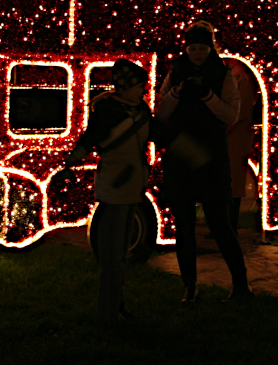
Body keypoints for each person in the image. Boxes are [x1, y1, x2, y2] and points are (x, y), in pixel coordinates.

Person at [157, 21, 253, 303]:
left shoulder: (223, 74)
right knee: (183, 226)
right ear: (185, 48)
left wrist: (207, 95)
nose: (197, 53)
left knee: (220, 224)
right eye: (192, 47)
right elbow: (162, 112)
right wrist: (177, 92)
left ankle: (241, 285)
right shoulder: (175, 72)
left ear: (211, 47)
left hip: (211, 158)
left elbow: (230, 115)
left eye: (202, 47)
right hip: (182, 157)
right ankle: (190, 286)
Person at [60, 59, 154, 327]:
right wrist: (72, 160)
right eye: (139, 85)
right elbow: (90, 138)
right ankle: (107, 314)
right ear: (124, 87)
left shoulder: (141, 109)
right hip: (114, 187)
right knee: (112, 255)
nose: (143, 91)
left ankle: (117, 308)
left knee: (121, 254)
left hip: (133, 187)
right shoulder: (108, 111)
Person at [226, 59, 260, 230]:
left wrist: (226, 125)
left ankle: (230, 224)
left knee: (234, 181)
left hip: (236, 135)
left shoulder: (242, 79)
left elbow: (242, 109)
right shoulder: (229, 77)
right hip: (231, 133)